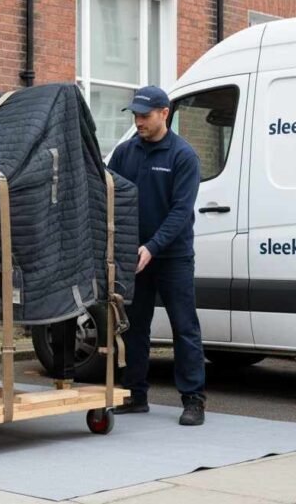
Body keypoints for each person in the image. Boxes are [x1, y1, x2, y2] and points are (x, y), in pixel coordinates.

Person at [106, 85, 206, 426]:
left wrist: (153, 246)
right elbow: (112, 197)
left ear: (165, 113)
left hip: (172, 255)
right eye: (135, 115)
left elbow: (180, 212)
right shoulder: (124, 153)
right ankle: (135, 394)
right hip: (134, 255)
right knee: (134, 328)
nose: (139, 122)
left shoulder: (183, 156)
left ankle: (193, 399)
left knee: (184, 326)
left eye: (145, 116)